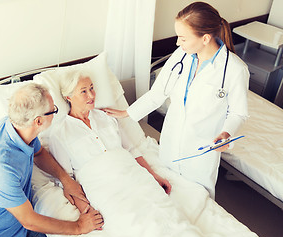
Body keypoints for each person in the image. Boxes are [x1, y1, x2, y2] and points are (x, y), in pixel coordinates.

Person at [104, 1, 249, 199]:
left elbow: (238, 113)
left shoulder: (234, 69)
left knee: (197, 202)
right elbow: (158, 93)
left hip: (200, 154)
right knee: (166, 195)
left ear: (205, 38)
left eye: (182, 38)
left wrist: (226, 133)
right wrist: (126, 113)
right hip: (170, 144)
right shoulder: (181, 56)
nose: (177, 43)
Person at [43, 71, 210, 237]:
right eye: (84, 91)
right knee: (133, 224)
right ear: (68, 96)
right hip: (103, 187)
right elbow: (66, 179)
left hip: (134, 176)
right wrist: (86, 209)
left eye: (92, 88)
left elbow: (131, 150)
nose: (92, 95)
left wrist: (153, 176)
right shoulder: (60, 132)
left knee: (167, 215)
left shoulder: (106, 117)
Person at [0, 83, 104, 237]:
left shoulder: (16, 127)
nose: (55, 113)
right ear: (38, 121)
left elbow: (39, 153)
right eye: (53, 110)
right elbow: (29, 221)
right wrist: (79, 227)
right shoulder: (1, 168)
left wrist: (66, 180)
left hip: (18, 228)